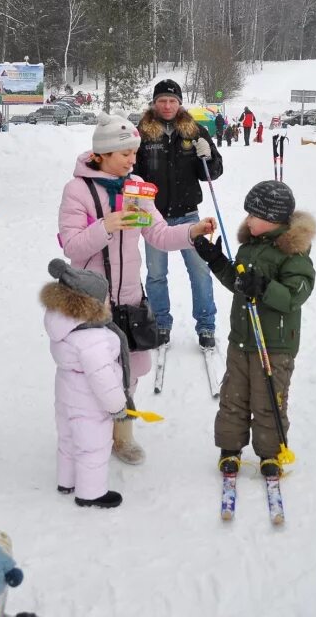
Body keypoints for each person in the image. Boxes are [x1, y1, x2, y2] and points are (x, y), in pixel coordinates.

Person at [58, 112, 215, 464]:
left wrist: (192, 232)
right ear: (102, 154)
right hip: (90, 299)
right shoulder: (77, 190)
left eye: (135, 152)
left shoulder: (137, 187)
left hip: (129, 296)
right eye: (126, 153)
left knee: (128, 372)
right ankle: (89, 433)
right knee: (93, 372)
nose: (133, 159)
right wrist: (106, 225)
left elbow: (158, 233)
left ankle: (121, 436)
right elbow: (71, 246)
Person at [192, 181, 316, 478]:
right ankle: (230, 449)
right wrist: (216, 260)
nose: (247, 220)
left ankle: (270, 453)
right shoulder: (249, 248)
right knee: (233, 398)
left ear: (273, 219)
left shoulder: (293, 254)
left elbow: (293, 296)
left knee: (268, 400)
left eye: (253, 216)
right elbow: (238, 284)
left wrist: (264, 287)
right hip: (242, 340)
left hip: (275, 345)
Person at [134, 79, 223, 349]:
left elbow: (214, 173)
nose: (168, 105)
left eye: (172, 101)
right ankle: (161, 322)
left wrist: (208, 158)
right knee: (156, 274)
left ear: (180, 103)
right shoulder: (142, 133)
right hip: (154, 217)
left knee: (199, 271)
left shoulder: (194, 131)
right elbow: (131, 170)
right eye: (162, 100)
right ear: (154, 103)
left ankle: (206, 325)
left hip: (187, 215)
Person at [42, 258, 131, 509]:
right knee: (93, 447)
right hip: (90, 406)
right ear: (89, 305)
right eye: (105, 299)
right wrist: (116, 406)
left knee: (69, 441)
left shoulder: (64, 327)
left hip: (66, 399)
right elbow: (102, 377)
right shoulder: (95, 339)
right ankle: (90, 493)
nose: (109, 303)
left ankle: (66, 480)